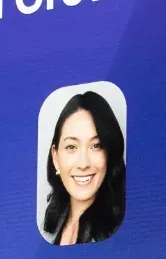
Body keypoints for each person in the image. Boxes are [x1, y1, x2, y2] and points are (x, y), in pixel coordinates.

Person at [41, 89, 127, 245]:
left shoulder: (120, 234)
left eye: (96, 146)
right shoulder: (51, 226)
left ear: (110, 154)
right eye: (72, 147)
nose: (83, 164)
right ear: (55, 157)